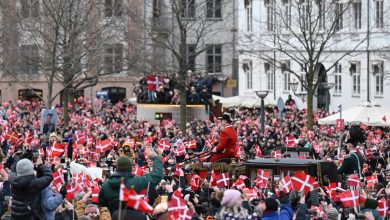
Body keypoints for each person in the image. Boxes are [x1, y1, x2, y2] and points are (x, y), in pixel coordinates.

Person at [98, 147, 163, 214]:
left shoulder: (105, 185)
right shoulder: (136, 182)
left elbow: (101, 206)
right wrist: (155, 157)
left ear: (117, 168)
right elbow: (156, 176)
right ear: (130, 168)